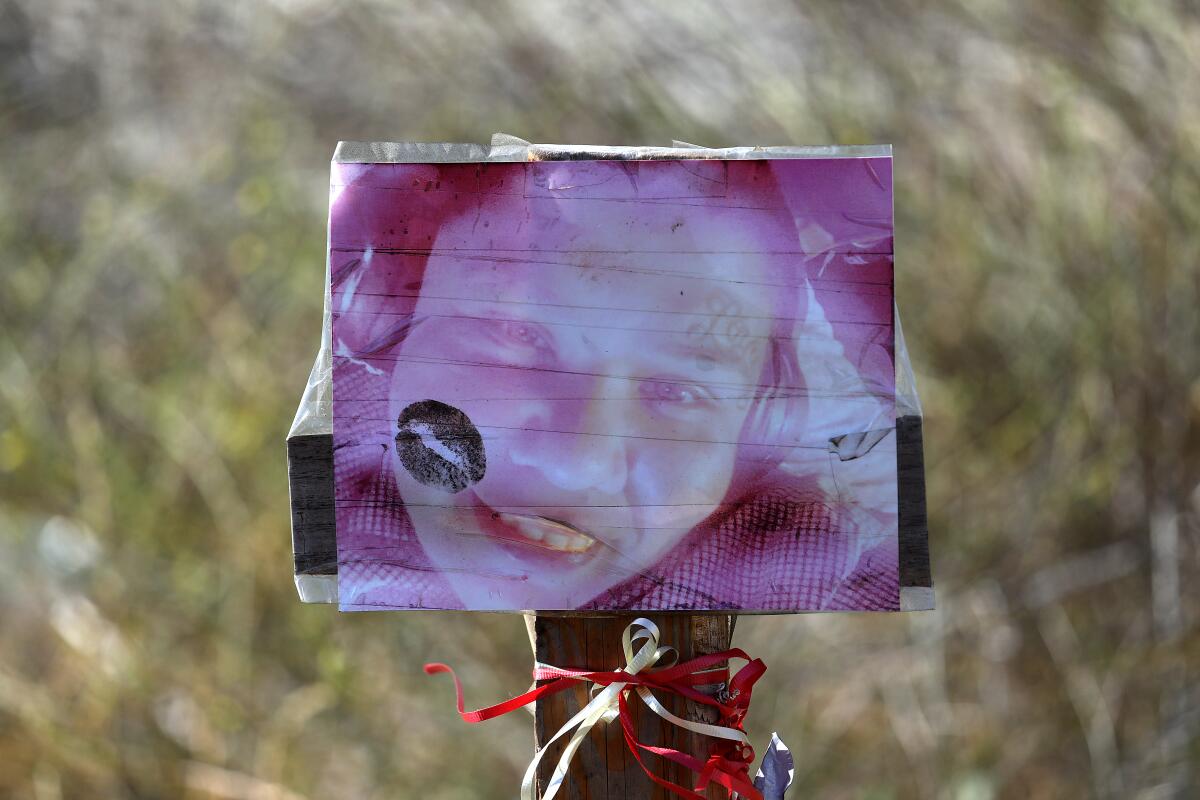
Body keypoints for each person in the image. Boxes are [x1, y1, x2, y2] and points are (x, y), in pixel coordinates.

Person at [330, 157, 899, 611]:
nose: (578, 462)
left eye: (678, 391)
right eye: (518, 333)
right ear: (386, 330)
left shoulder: (831, 578)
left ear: (757, 431)